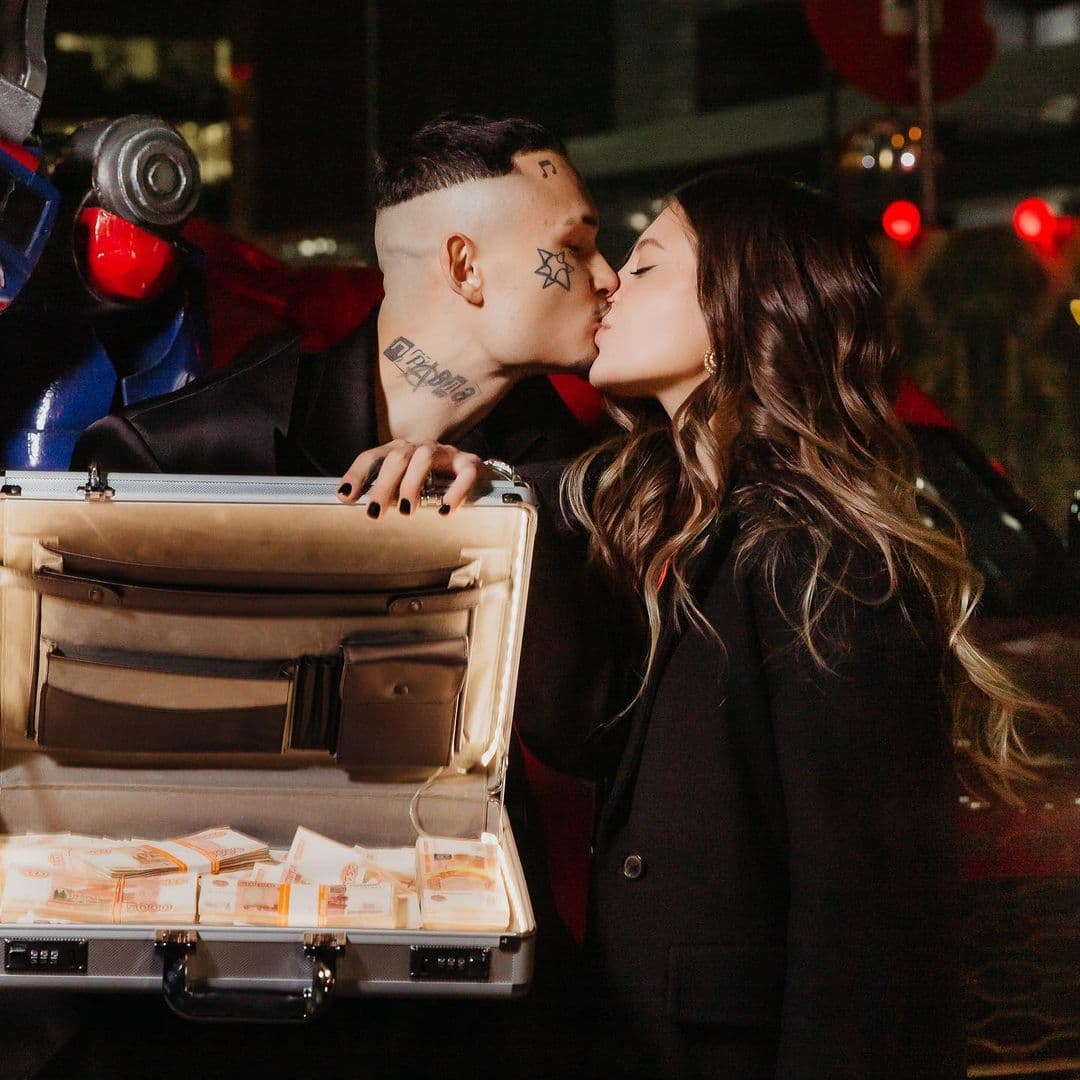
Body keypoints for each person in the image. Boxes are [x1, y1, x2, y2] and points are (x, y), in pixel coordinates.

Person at [343, 171, 1053, 1079]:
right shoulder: (667, 519)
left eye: (645, 266)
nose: (608, 284)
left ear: (735, 311)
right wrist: (496, 507)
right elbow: (585, 732)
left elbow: (865, 920)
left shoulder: (824, 557)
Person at [72, 113, 617, 479]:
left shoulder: (573, 467)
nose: (608, 276)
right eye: (574, 247)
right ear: (464, 267)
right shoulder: (175, 454)